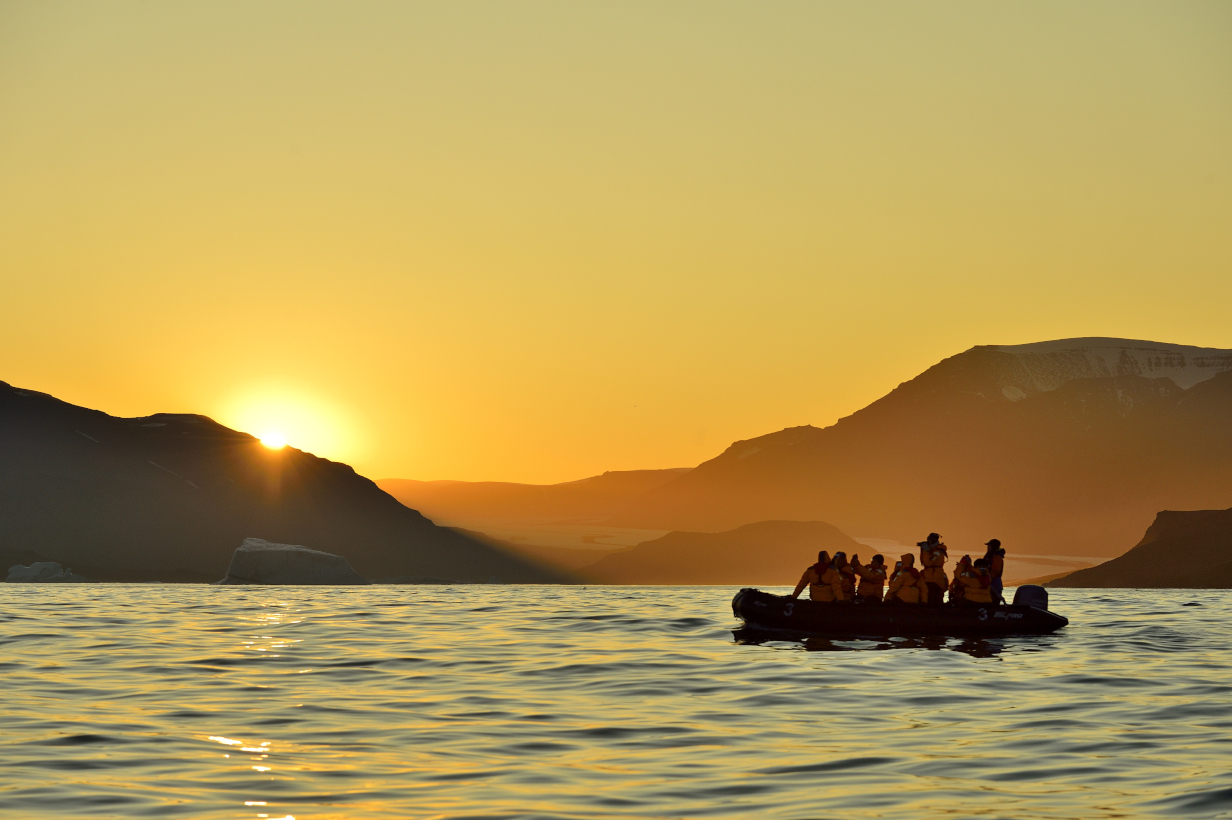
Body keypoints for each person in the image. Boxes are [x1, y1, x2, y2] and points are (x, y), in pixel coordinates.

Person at [917, 532, 949, 606]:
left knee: (933, 599)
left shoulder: (938, 552)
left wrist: (925, 550)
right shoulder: (933, 551)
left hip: (933, 579)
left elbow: (927, 563)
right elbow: (923, 562)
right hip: (930, 577)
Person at [983, 539, 1006, 604]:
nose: (988, 547)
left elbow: (995, 571)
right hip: (988, 585)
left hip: (995, 585)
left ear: (993, 546)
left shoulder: (997, 557)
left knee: (994, 603)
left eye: (989, 545)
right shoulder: (990, 556)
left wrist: (987, 580)